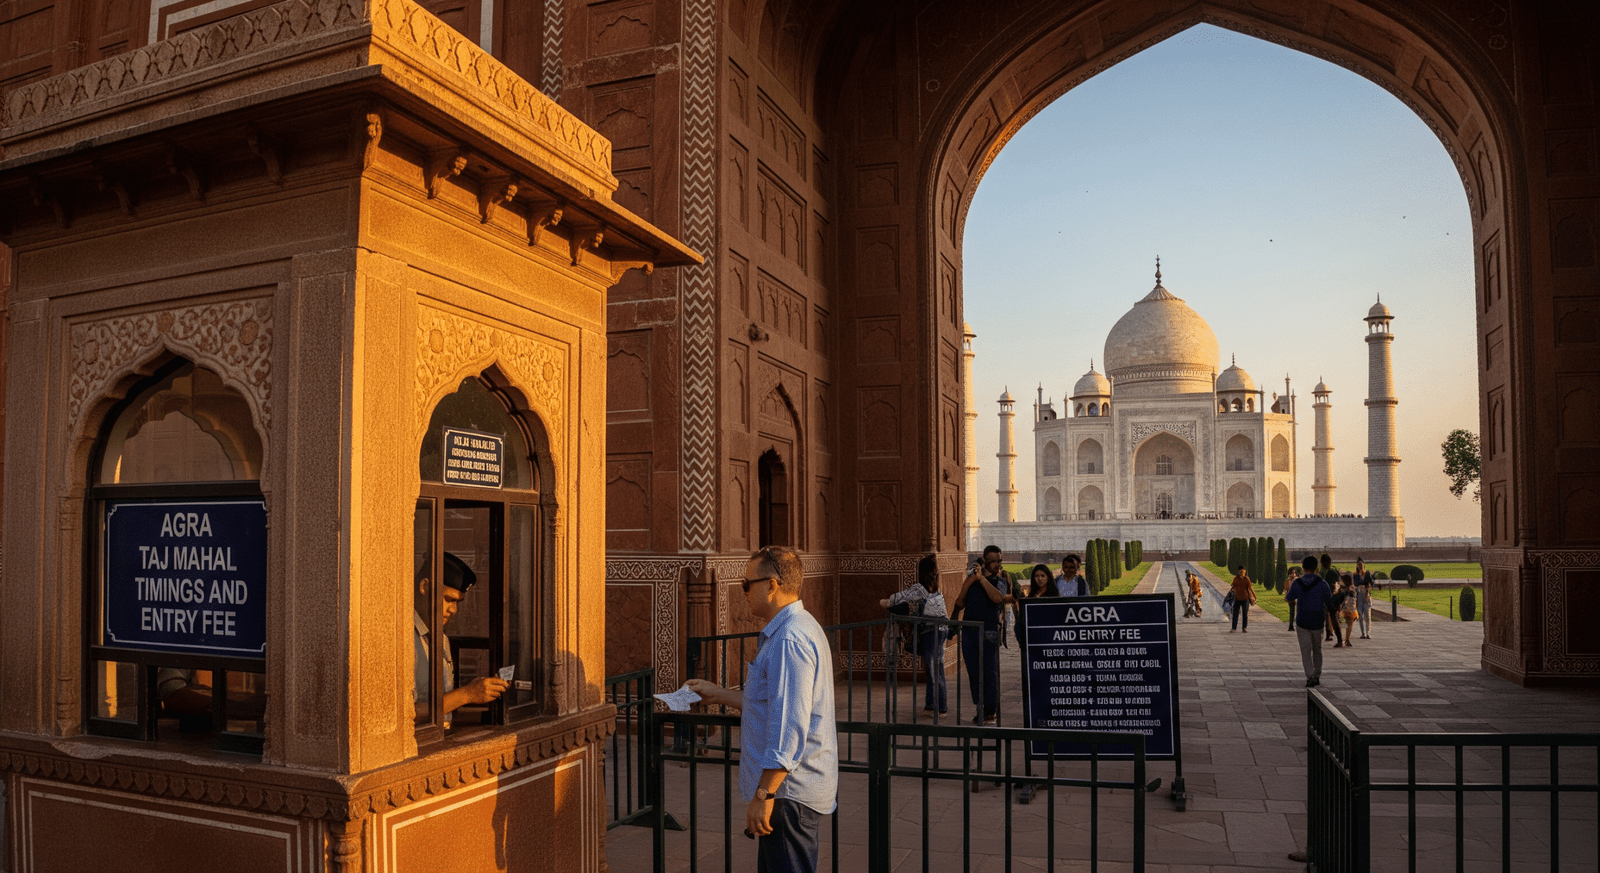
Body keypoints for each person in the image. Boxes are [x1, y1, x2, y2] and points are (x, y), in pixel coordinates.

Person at [686, 546, 838, 873]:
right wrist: (718, 694)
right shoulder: (792, 629)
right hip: (787, 792)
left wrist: (764, 795)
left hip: (787, 794)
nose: (744, 592)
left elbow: (789, 728)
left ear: (771, 585)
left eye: (746, 584)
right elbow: (772, 706)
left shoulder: (789, 640)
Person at [415, 552, 508, 727]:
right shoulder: (403, 639)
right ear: (425, 587)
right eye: (448, 599)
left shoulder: (441, 639)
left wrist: (477, 690)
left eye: (457, 602)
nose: (453, 610)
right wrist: (467, 694)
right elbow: (403, 714)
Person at [880, 554, 949, 716]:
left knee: (934, 669)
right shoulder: (936, 588)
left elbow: (897, 598)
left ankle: (940, 707)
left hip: (932, 631)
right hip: (940, 630)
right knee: (934, 668)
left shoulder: (920, 589)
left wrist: (884, 602)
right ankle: (932, 705)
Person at [953, 545, 1014, 725]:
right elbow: (960, 601)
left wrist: (981, 579)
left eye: (999, 561)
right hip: (969, 631)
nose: (997, 564)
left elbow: (998, 598)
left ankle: (990, 712)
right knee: (974, 673)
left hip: (989, 632)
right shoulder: (972, 580)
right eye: (993, 561)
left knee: (989, 673)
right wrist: (973, 579)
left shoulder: (1000, 581)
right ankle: (980, 707)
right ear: (985, 560)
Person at [1286, 556, 1332, 687]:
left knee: (1305, 651)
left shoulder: (1297, 583)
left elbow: (1289, 598)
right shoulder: (1323, 584)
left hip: (1302, 621)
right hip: (1317, 621)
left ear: (1303, 567)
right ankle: (1317, 675)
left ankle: (1310, 676)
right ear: (1316, 568)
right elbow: (1329, 602)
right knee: (1317, 649)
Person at [1229, 565, 1256, 633]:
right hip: (1237, 598)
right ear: (1238, 572)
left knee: (1245, 614)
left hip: (1245, 598)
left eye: (1243, 572)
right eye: (1240, 572)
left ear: (1245, 572)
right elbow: (1233, 586)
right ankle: (1233, 628)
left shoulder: (1246, 579)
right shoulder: (1236, 579)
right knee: (1235, 614)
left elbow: (1250, 588)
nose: (1241, 573)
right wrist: (1230, 592)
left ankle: (1244, 628)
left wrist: (1254, 596)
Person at [1353, 559, 1374, 639]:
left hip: (1366, 595)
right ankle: (1363, 633)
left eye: (1361, 565)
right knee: (1360, 615)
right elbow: (1354, 584)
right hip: (1359, 596)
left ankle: (1368, 632)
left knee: (1367, 615)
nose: (1360, 566)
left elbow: (1372, 583)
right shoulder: (1355, 575)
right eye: (1359, 565)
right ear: (1357, 566)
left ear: (1363, 565)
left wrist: (1368, 588)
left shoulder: (1367, 574)